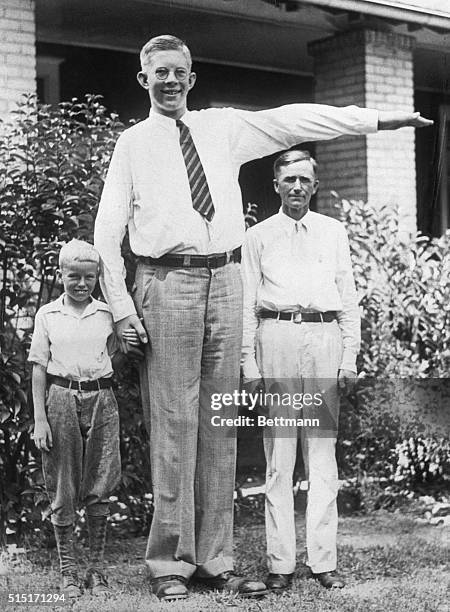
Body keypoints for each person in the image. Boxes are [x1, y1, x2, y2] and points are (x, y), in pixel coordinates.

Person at [93, 34, 432, 602]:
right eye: (160, 73)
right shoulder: (132, 145)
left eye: (180, 72)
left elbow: (294, 120)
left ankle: (216, 559)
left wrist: (378, 120)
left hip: (227, 279)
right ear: (143, 80)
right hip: (166, 280)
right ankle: (170, 562)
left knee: (218, 424)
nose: (171, 81)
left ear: (192, 78)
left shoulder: (222, 127)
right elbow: (106, 236)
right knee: (174, 423)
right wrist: (123, 309)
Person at [241, 149, 360, 591]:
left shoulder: (333, 232)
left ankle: (324, 561)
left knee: (322, 455)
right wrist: (247, 362)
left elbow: (347, 297)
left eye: (304, 180)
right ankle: (280, 564)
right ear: (276, 185)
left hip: (324, 339)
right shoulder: (258, 236)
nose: (296, 187)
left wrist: (349, 357)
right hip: (276, 338)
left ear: (314, 185)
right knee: (280, 455)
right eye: (288, 179)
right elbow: (247, 304)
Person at [28, 239, 138, 597]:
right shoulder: (48, 315)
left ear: (97, 278)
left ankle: (96, 569)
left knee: (100, 484)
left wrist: (102, 376)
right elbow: (38, 370)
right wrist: (40, 419)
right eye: (73, 276)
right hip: (60, 398)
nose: (80, 284)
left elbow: (120, 350)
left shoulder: (107, 313)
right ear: (61, 275)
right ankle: (68, 571)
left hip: (101, 399)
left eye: (88, 277)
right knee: (63, 485)